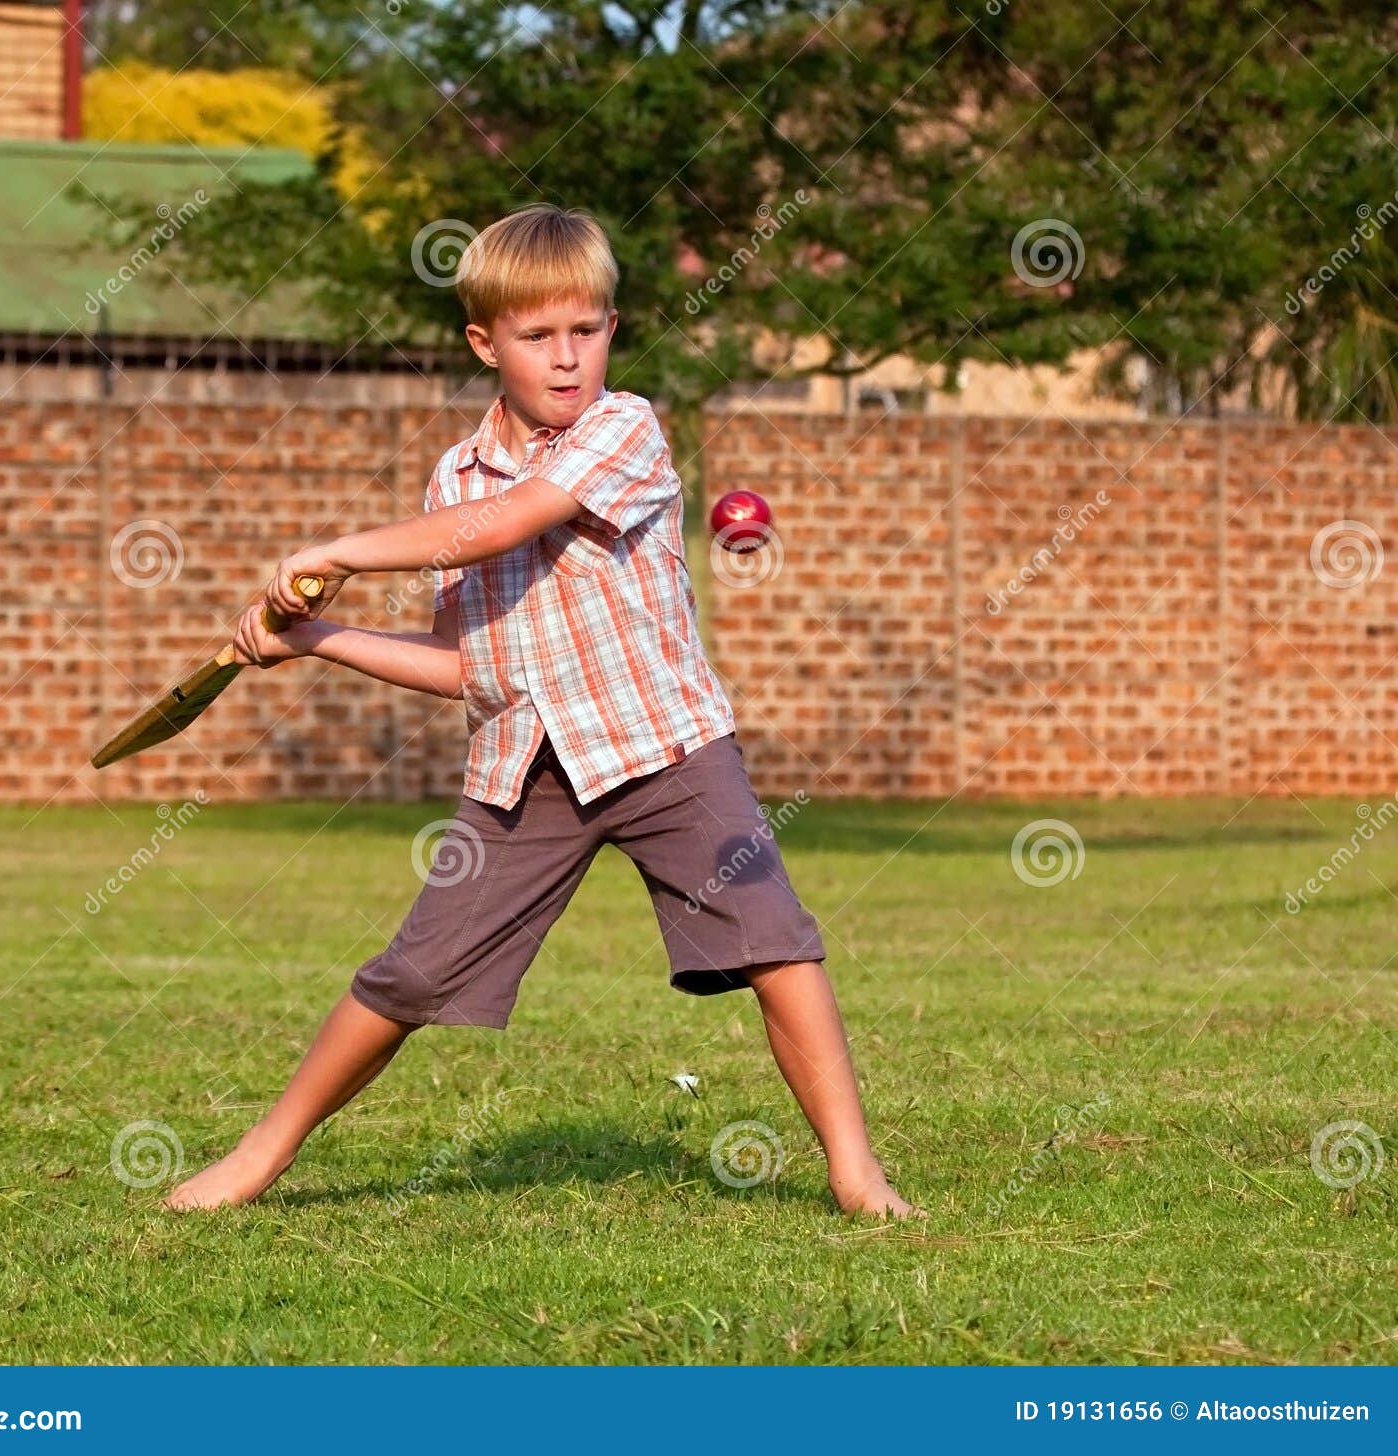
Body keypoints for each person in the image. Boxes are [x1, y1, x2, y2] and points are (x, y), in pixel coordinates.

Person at [164, 204, 921, 1221]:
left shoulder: (623, 428)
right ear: (485, 342)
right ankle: (258, 1156)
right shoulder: (453, 476)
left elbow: (507, 523)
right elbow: (466, 664)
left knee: (774, 938)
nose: (569, 358)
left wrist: (335, 552)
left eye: (589, 328)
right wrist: (308, 640)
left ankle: (855, 1172)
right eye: (538, 336)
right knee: (410, 971)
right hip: (526, 768)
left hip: (667, 749)